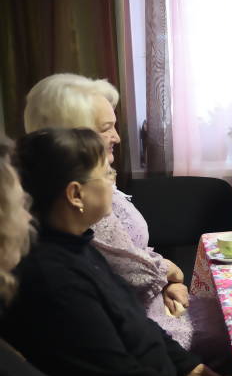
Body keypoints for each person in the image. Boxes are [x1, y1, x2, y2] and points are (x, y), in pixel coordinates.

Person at [3, 128, 232, 376]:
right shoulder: (54, 279)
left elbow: (137, 322)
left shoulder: (78, 244)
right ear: (76, 194)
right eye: (106, 173)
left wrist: (195, 369)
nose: (113, 181)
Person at [23, 73, 204, 351]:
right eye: (106, 128)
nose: (117, 137)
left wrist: (166, 282)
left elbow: (135, 255)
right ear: (73, 136)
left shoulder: (92, 187)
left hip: (150, 310)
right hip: (137, 329)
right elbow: (131, 272)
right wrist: (168, 272)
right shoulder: (79, 203)